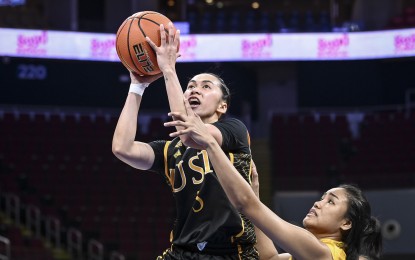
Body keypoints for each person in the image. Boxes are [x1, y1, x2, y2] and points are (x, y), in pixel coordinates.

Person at [164, 99, 383, 260]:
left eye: (331, 201)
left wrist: (211, 145)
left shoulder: (323, 253)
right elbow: (268, 257)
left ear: (346, 223)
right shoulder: (313, 252)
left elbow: (245, 204)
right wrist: (256, 192)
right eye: (323, 197)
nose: (318, 203)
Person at [112, 23, 259, 259]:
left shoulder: (234, 131)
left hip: (228, 251)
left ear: (223, 106)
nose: (194, 90)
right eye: (190, 86)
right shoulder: (170, 149)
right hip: (182, 251)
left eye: (206, 86)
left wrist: (169, 70)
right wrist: (137, 87)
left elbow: (191, 136)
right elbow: (122, 148)